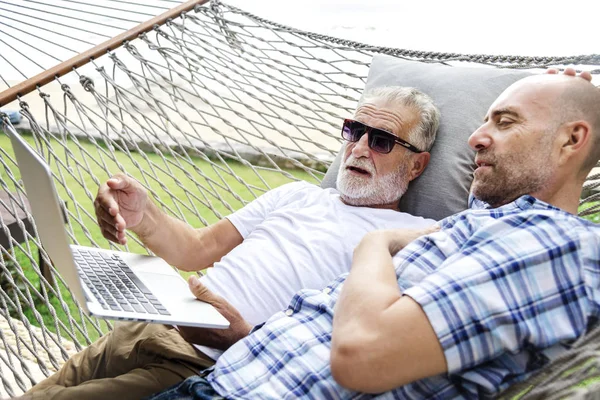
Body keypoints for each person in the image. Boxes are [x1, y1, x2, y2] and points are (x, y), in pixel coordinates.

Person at [146, 71, 600, 399]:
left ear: (570, 140)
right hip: (229, 377)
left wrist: (375, 244)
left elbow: (362, 354)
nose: (474, 138)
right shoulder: (489, 221)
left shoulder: (553, 242)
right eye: (354, 133)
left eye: (504, 122)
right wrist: (576, 92)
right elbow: (518, 187)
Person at [24, 86, 440, 400]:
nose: (359, 148)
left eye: (381, 140)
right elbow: (197, 250)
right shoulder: (296, 194)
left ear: (417, 164)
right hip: (146, 324)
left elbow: (357, 348)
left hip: (207, 365)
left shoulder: (412, 239)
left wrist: (247, 336)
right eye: (355, 131)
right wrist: (143, 217)